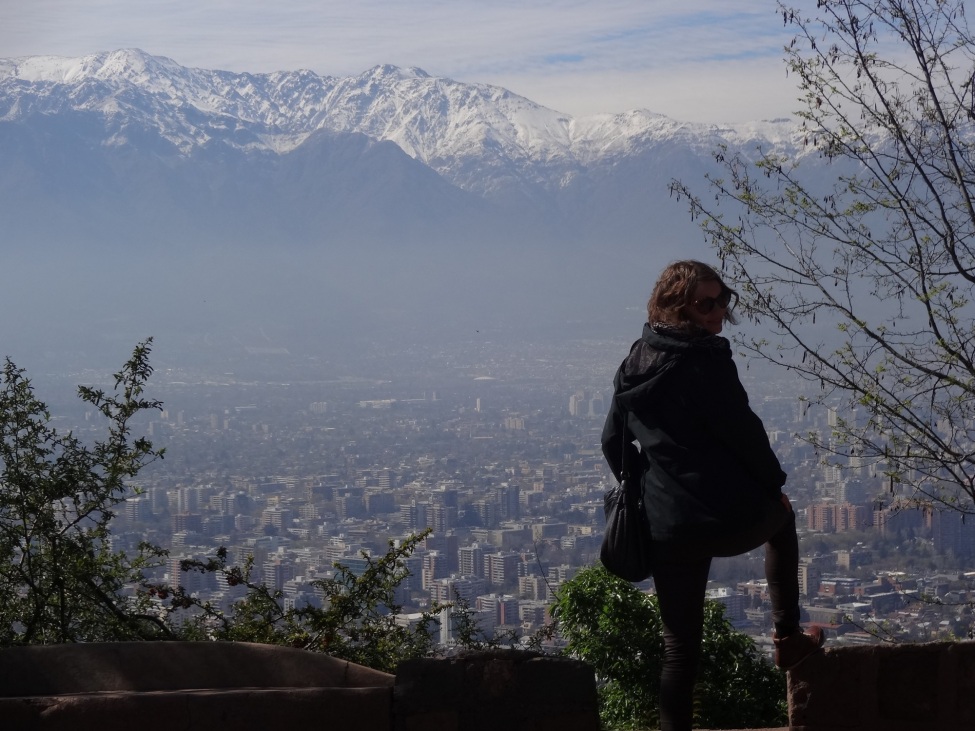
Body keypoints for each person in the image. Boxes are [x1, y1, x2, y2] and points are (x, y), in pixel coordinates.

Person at [601, 260, 824, 731]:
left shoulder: (633, 364)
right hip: (722, 515)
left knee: (679, 646)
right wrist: (773, 486)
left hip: (665, 526)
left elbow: (611, 441)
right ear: (677, 305)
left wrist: (650, 482)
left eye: (724, 299)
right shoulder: (705, 362)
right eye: (706, 303)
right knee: (783, 521)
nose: (719, 311)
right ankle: (788, 637)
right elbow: (745, 433)